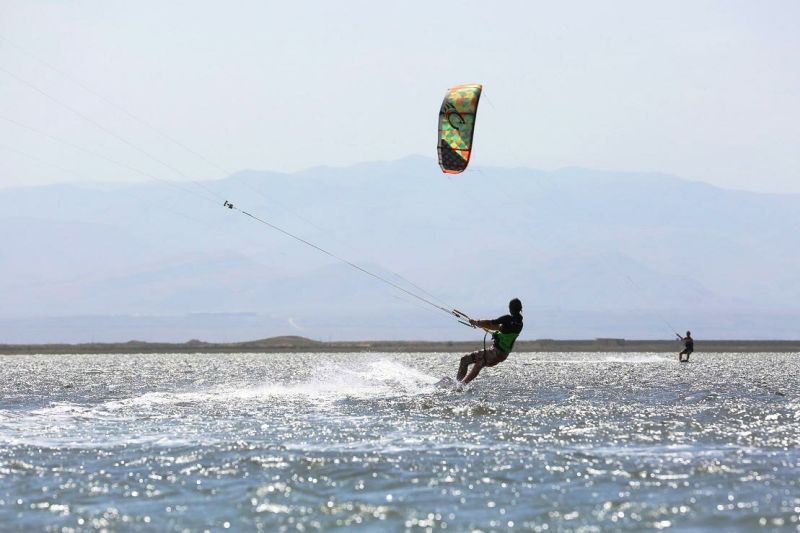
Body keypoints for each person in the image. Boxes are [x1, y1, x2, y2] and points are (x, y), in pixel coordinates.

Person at [456, 298, 523, 384]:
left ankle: (459, 384)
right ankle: (460, 384)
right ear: (520, 308)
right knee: (478, 362)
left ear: (510, 308)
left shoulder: (508, 319)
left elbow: (491, 323)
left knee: (466, 360)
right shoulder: (519, 324)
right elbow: (498, 328)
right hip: (502, 355)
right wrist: (479, 324)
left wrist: (476, 322)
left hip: (496, 352)